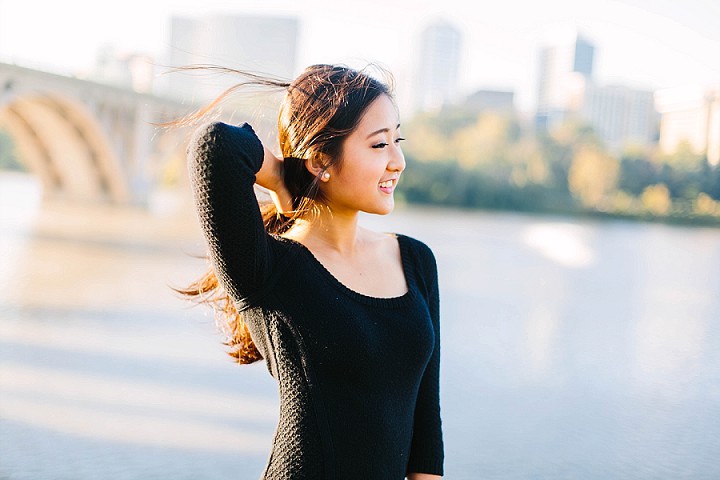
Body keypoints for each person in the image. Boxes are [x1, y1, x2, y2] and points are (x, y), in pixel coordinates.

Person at [180, 64, 443, 479]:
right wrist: (284, 178)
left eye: (398, 140)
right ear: (322, 160)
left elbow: (426, 434)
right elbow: (217, 146)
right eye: (378, 146)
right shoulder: (269, 267)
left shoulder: (415, 261)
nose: (399, 161)